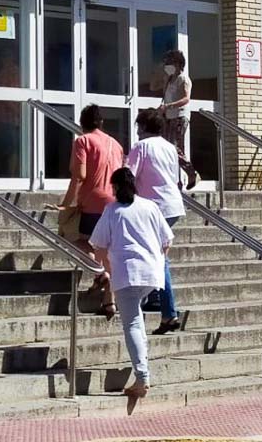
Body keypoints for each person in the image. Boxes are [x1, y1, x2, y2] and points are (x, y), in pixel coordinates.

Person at [89, 167, 174, 399]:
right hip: (151, 273)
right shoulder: (149, 206)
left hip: (126, 273)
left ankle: (142, 377)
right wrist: (158, 258)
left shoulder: (112, 210)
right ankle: (142, 369)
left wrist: (107, 269)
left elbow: (98, 244)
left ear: (115, 187)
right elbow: (167, 240)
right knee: (138, 322)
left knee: (133, 325)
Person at [127, 108, 186, 334]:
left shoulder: (141, 147)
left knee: (159, 259)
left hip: (154, 207)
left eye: (138, 127)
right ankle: (155, 298)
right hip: (172, 204)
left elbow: (128, 175)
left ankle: (169, 312)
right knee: (157, 254)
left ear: (142, 127)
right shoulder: (169, 146)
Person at [63, 104, 125, 318]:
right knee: (108, 251)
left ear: (82, 123)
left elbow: (79, 175)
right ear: (101, 122)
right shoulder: (115, 144)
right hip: (115, 202)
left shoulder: (83, 141)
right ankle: (110, 302)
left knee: (73, 239)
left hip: (92, 203)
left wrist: (66, 203)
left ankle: (100, 273)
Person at [160, 49, 200, 190]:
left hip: (179, 116)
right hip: (169, 117)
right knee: (171, 149)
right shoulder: (170, 79)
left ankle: (191, 172)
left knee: (174, 148)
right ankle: (177, 181)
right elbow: (155, 87)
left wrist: (169, 106)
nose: (167, 66)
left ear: (177, 63)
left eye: (169, 63)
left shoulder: (183, 79)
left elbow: (185, 98)